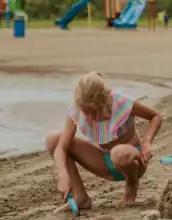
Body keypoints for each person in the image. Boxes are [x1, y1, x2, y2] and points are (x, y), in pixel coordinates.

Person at [45, 71, 162, 211]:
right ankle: (81, 197)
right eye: (85, 111)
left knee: (118, 152)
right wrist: (63, 174)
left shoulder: (120, 102)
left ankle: (131, 184)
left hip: (131, 159)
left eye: (93, 111)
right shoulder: (76, 109)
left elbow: (155, 116)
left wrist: (146, 142)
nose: (89, 116)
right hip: (103, 160)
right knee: (53, 140)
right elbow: (61, 148)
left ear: (105, 100)